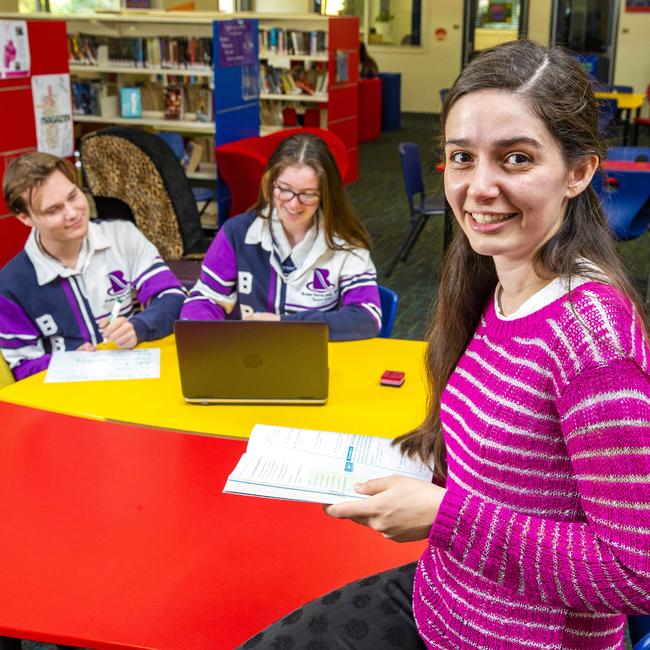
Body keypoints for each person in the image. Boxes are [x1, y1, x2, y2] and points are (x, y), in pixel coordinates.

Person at [239, 40, 650, 649]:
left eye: (514, 158)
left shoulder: (594, 341)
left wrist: (444, 514)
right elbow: (514, 471)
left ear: (579, 172)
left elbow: (632, 574)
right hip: (446, 595)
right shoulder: (493, 282)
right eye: (462, 157)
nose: (477, 187)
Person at [0, 152, 185, 380]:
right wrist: (67, 363)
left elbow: (172, 296)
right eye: (53, 210)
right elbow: (21, 366)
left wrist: (139, 326)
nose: (72, 213)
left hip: (135, 380)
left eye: (73, 196)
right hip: (65, 399)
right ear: (24, 218)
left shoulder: (122, 235)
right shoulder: (10, 284)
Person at [180, 133, 381, 340]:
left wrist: (281, 325)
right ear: (270, 182)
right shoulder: (237, 233)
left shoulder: (346, 242)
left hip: (319, 360)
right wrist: (200, 339)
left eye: (308, 194)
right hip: (252, 359)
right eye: (284, 190)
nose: (294, 204)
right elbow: (205, 300)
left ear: (326, 194)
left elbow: (366, 319)